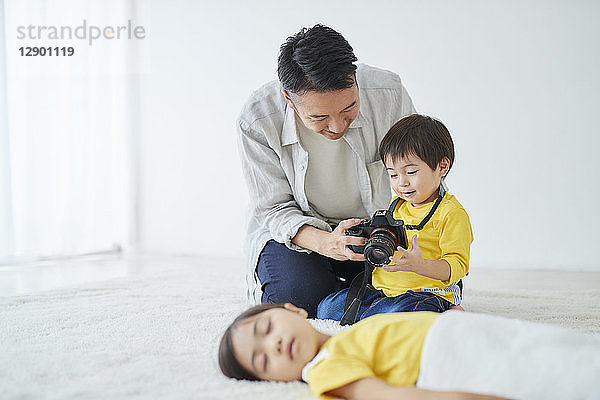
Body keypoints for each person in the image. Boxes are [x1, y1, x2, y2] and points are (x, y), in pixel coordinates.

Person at [237, 24, 416, 317]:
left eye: (349, 108)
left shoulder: (389, 93)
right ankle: (336, 288)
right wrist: (325, 242)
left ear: (355, 81)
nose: (337, 126)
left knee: (424, 282)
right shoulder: (257, 119)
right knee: (296, 302)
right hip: (300, 232)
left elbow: (420, 169)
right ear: (288, 99)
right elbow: (273, 210)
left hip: (376, 227)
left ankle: (346, 291)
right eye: (319, 116)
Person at [218, 303, 600, 400]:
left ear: (292, 311)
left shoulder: (343, 337)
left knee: (559, 349)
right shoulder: (324, 368)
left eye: (267, 329)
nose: (275, 344)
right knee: (557, 375)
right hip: (448, 358)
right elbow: (387, 396)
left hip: (465, 334)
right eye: (263, 360)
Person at [317, 114, 472, 322]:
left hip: (424, 292)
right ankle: (384, 315)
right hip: (383, 291)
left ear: (442, 167)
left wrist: (419, 265)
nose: (402, 183)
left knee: (402, 314)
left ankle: (444, 312)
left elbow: (457, 266)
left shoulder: (450, 213)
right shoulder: (396, 207)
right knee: (326, 309)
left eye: (411, 172)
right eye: (393, 174)